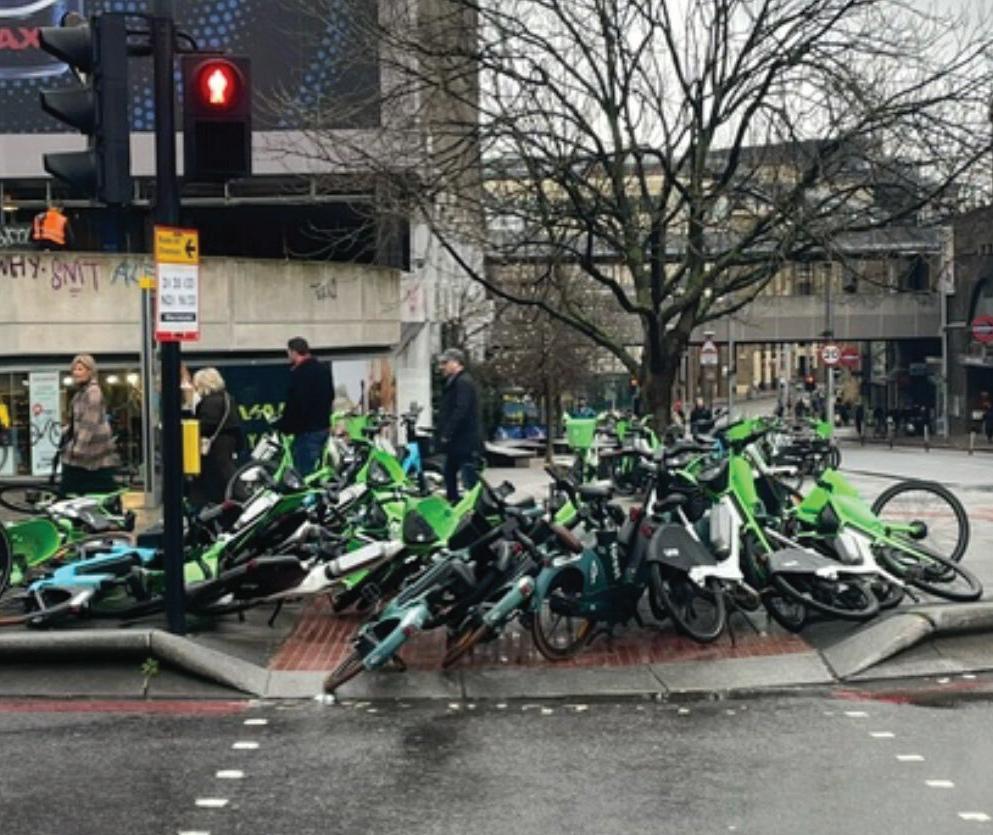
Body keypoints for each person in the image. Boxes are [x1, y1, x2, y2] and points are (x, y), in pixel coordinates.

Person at [61, 354, 119, 496]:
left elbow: (89, 423)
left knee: (72, 488)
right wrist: (66, 431)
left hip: (92, 453)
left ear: (90, 371)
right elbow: (78, 421)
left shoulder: (93, 392)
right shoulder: (81, 393)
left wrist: (78, 449)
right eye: (74, 369)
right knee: (87, 488)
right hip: (87, 452)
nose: (75, 372)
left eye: (80, 369)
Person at [276, 337, 333, 475]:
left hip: (306, 431)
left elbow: (296, 403)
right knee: (317, 470)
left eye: (288, 352)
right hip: (323, 427)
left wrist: (284, 425)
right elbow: (330, 395)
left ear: (294, 352)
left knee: (303, 472)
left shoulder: (300, 373)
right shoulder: (323, 369)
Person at [191, 368, 244, 507]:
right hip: (228, 440)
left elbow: (207, 424)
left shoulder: (210, 402)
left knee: (221, 470)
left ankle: (239, 496)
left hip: (217, 443)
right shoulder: (226, 398)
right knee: (225, 469)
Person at [437, 348, 481, 502]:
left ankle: (475, 504)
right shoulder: (456, 382)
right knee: (450, 472)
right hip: (458, 441)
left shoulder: (462, 382)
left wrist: (447, 432)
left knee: (467, 475)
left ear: (456, 363)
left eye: (445, 363)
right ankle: (454, 501)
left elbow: (460, 409)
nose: (441, 367)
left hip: (463, 440)